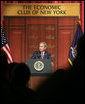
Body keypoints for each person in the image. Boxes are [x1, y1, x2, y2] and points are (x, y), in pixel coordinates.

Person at [36, 35, 84, 103]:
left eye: (42, 46)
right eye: (40, 46)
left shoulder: (59, 80)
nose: (40, 47)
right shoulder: (61, 79)